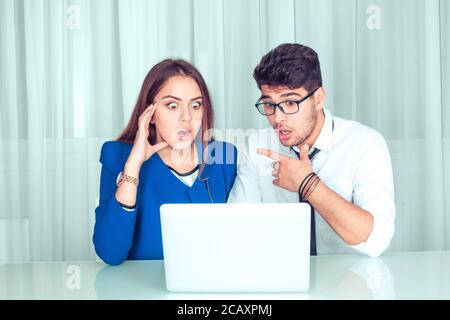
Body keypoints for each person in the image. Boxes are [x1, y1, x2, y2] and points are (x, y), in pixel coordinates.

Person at [228, 43, 395, 257]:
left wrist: (308, 184)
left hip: (351, 280)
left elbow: (377, 241)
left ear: (318, 99)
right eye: (269, 104)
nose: (277, 118)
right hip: (280, 275)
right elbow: (237, 227)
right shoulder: (258, 145)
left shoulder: (365, 144)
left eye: (290, 103)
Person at [93, 59, 237, 265]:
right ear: (149, 114)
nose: (186, 117)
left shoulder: (224, 157)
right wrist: (134, 166)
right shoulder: (119, 156)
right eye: (172, 105)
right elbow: (110, 253)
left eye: (196, 105)